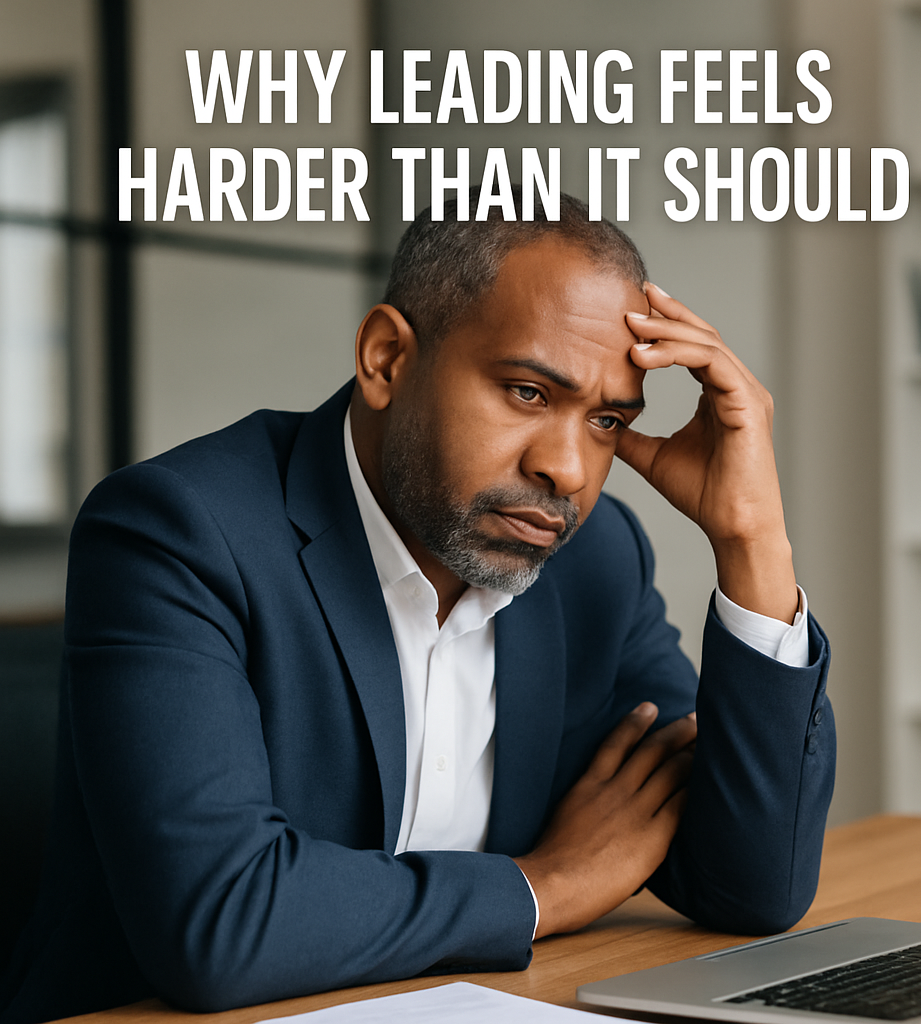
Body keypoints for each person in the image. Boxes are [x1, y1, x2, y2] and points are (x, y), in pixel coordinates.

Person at [0, 188, 834, 1024]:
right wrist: (543, 887)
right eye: (528, 393)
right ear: (387, 359)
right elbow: (221, 924)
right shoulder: (178, 532)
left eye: (608, 420)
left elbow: (749, 886)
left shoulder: (595, 560)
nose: (569, 469)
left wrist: (753, 541)